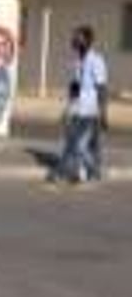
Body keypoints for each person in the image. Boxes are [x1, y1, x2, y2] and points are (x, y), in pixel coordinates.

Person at [50, 26, 108, 185]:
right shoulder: (77, 61)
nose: (74, 40)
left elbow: (102, 88)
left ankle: (94, 170)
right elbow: (74, 88)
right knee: (71, 144)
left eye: (78, 37)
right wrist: (67, 109)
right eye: (74, 37)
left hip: (90, 111)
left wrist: (103, 113)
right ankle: (70, 172)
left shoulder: (96, 60)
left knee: (80, 146)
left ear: (87, 41)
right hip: (77, 109)